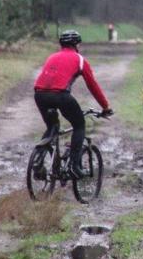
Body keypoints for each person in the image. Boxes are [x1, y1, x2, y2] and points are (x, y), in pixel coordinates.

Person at [34, 30, 113, 178]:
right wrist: (105, 107)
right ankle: (74, 165)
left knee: (52, 126)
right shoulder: (80, 59)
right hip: (60, 95)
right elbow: (93, 86)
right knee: (79, 125)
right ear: (77, 44)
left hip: (39, 94)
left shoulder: (52, 56)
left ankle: (38, 160)